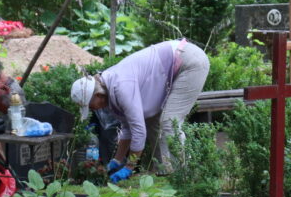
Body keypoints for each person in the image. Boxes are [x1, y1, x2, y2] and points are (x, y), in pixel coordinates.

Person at [70, 38, 209, 182]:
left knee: (169, 122)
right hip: (176, 63)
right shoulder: (109, 90)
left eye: (90, 105)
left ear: (98, 95)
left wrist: (129, 167)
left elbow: (138, 131)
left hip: (189, 61)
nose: (92, 109)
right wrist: (117, 160)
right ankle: (165, 173)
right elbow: (127, 128)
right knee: (152, 122)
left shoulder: (121, 86)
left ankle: (183, 176)